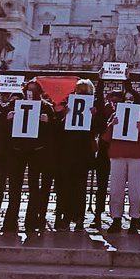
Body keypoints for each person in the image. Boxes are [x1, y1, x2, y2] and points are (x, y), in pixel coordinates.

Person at [0, 81, 54, 233]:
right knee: (14, 187)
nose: (30, 93)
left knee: (34, 187)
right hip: (17, 150)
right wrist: (9, 119)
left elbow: (53, 132)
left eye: (34, 90)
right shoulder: (17, 104)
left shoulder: (46, 107)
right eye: (28, 90)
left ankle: (31, 221)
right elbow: (3, 123)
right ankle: (10, 221)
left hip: (36, 151)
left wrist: (47, 121)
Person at [102, 83, 140, 233]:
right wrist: (112, 125)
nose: (129, 101)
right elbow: (105, 138)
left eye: (132, 98)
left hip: (136, 157)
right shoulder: (115, 115)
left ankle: (134, 219)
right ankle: (116, 219)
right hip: (118, 156)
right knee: (116, 189)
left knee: (135, 190)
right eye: (126, 99)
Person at [55, 78, 103, 231]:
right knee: (66, 185)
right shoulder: (68, 104)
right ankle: (66, 216)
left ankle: (79, 218)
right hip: (67, 151)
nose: (81, 92)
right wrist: (64, 116)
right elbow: (59, 131)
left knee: (80, 186)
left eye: (84, 89)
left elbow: (98, 130)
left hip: (83, 152)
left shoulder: (92, 107)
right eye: (79, 89)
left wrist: (94, 117)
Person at [91, 89, 123, 230]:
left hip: (119, 152)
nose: (114, 103)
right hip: (104, 152)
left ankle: (116, 217)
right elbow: (97, 128)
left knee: (118, 187)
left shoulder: (127, 113)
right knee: (101, 186)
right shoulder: (103, 113)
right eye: (112, 100)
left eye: (117, 101)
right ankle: (98, 214)